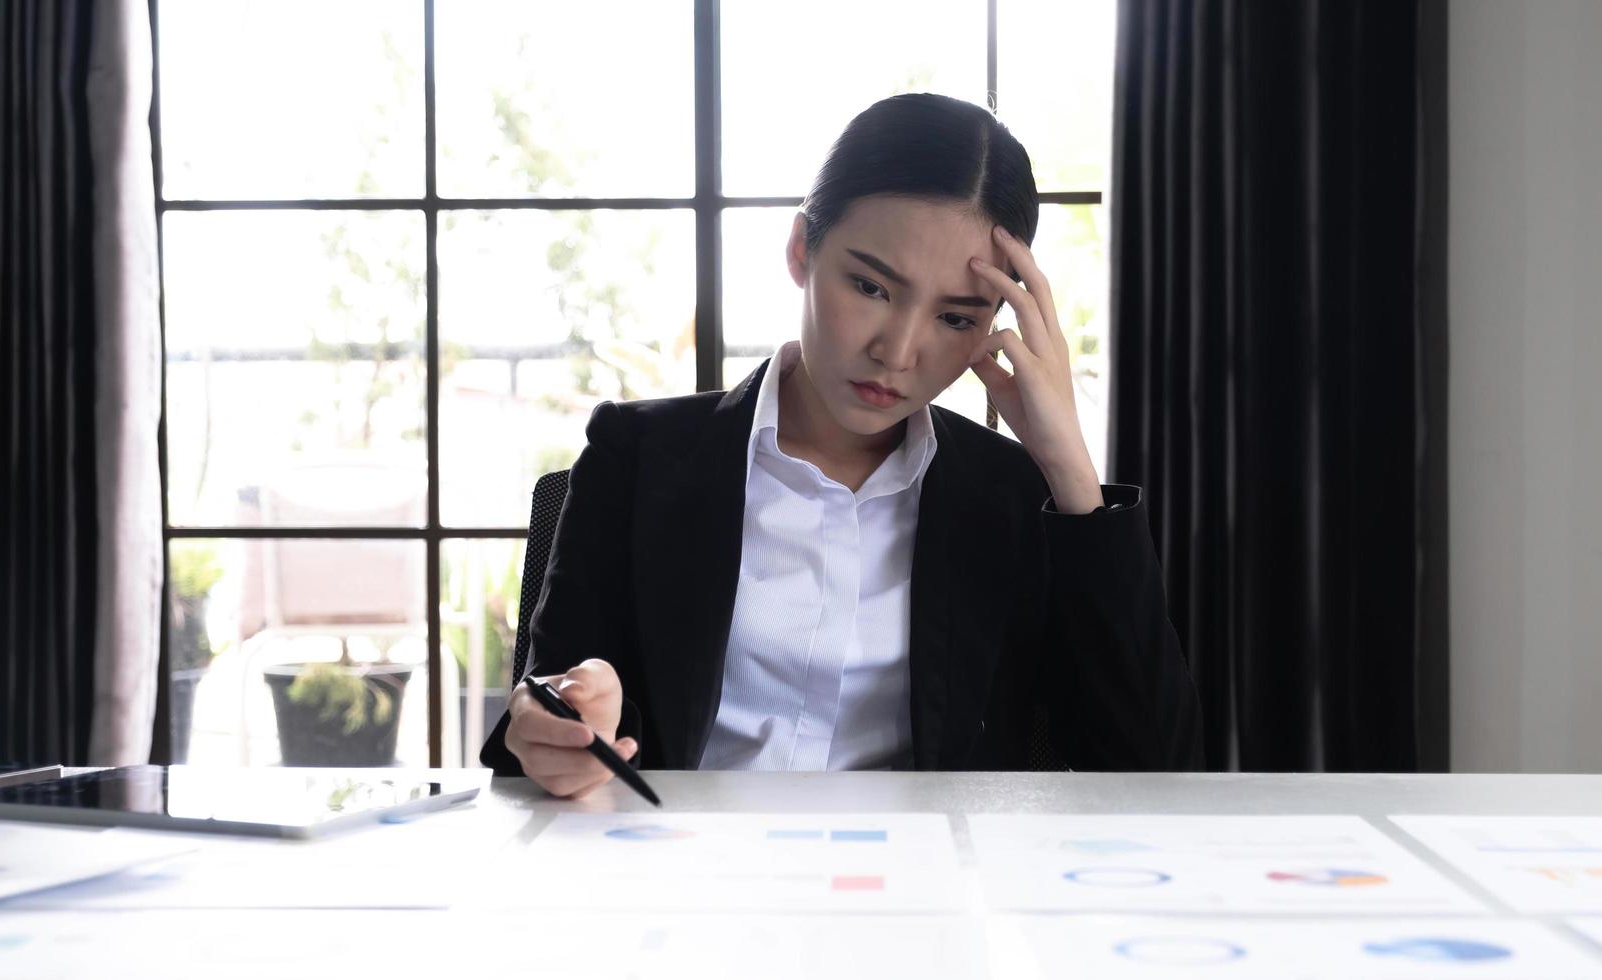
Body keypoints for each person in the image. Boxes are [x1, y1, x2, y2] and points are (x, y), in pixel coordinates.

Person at [479, 93, 1202, 797]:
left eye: (956, 318)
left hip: (923, 896)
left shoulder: (1014, 496)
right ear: (800, 250)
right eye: (870, 285)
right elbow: (549, 717)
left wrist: (1068, 465)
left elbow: (1151, 766)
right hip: (685, 880)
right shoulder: (637, 457)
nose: (898, 350)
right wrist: (567, 729)